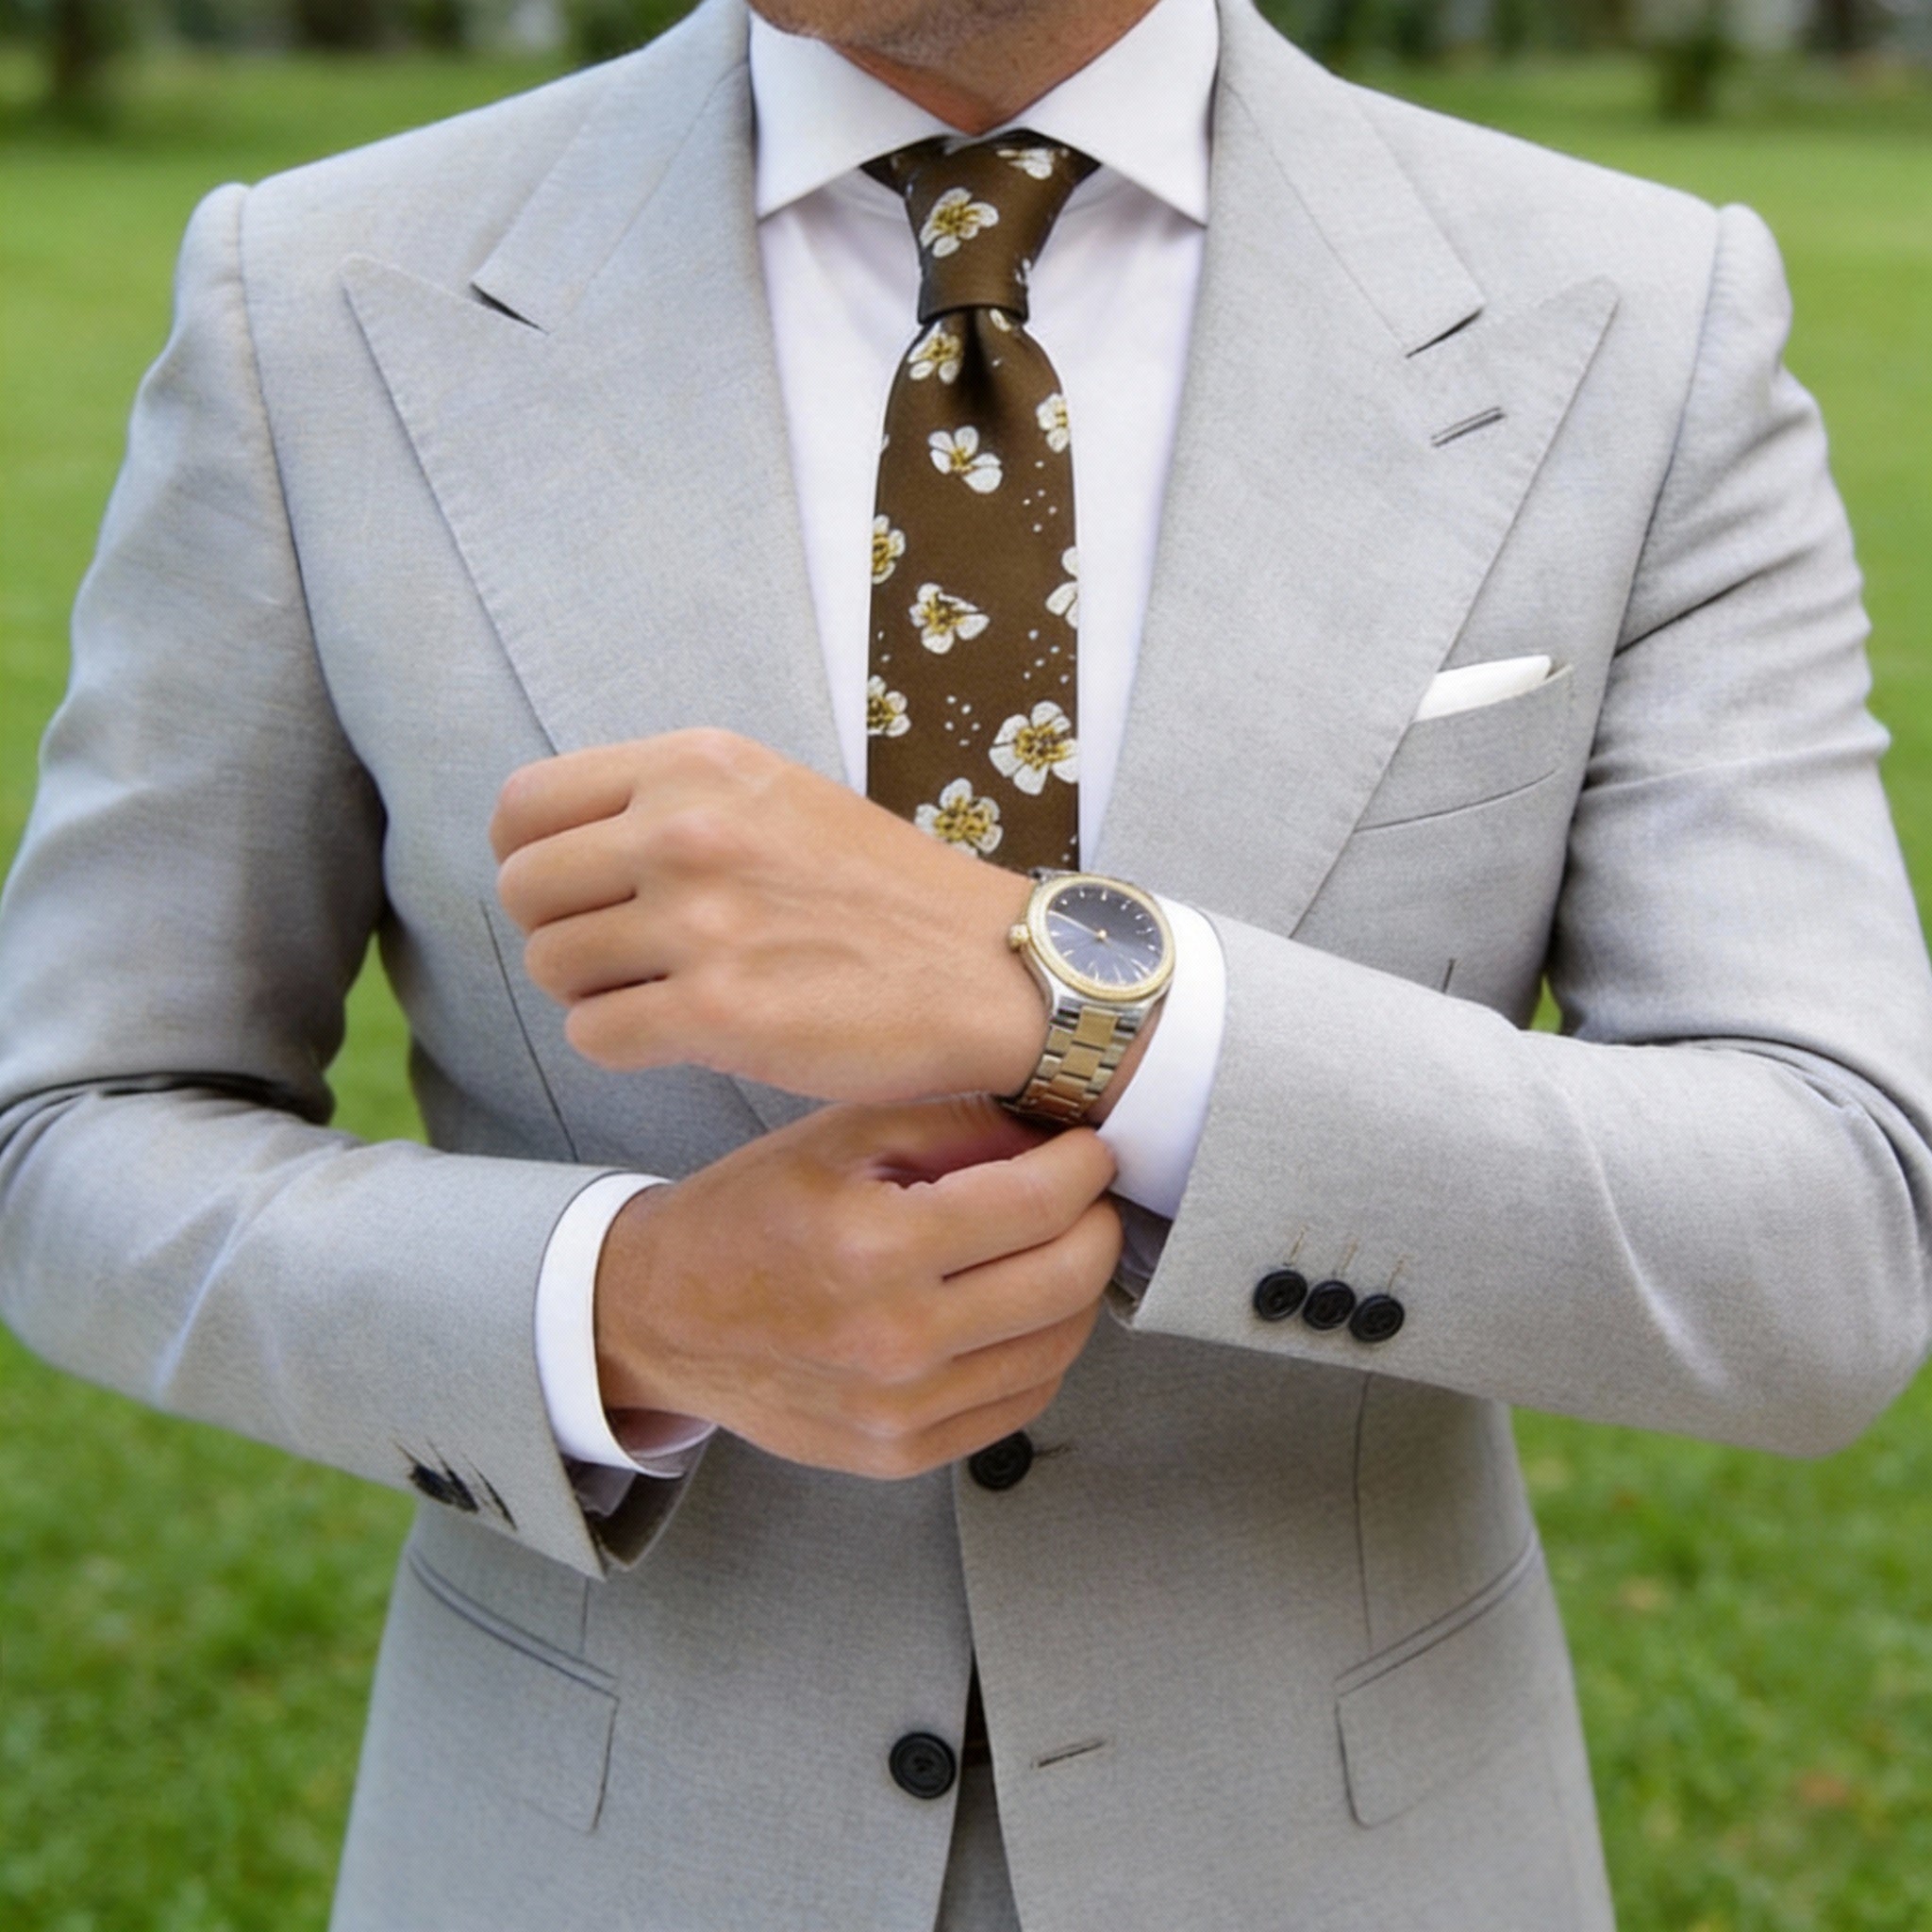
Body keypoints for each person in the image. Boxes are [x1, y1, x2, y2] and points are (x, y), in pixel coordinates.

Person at [2, 0, 1928, 1921]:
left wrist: (1083, 1007)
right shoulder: (315, 296)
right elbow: (73, 1129)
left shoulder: (1635, 313)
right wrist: (627, 1308)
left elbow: (1830, 1231)